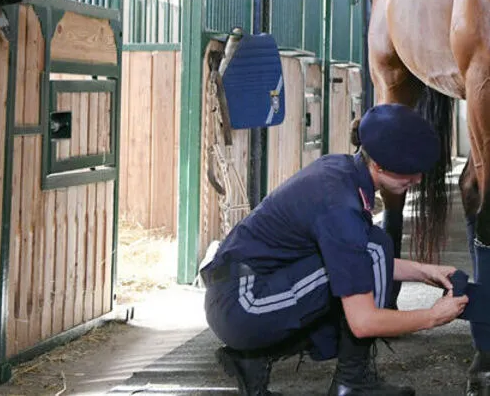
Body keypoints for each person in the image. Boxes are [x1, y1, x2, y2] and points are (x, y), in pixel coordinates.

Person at [201, 103, 469, 396]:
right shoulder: (340, 206)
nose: (417, 180)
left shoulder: (343, 170)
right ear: (379, 165)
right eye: (409, 172)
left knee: (374, 248)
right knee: (372, 255)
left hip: (243, 293)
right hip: (243, 304)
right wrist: (432, 317)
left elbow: (354, 256)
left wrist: (426, 272)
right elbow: (363, 321)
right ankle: (352, 382)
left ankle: (255, 358)